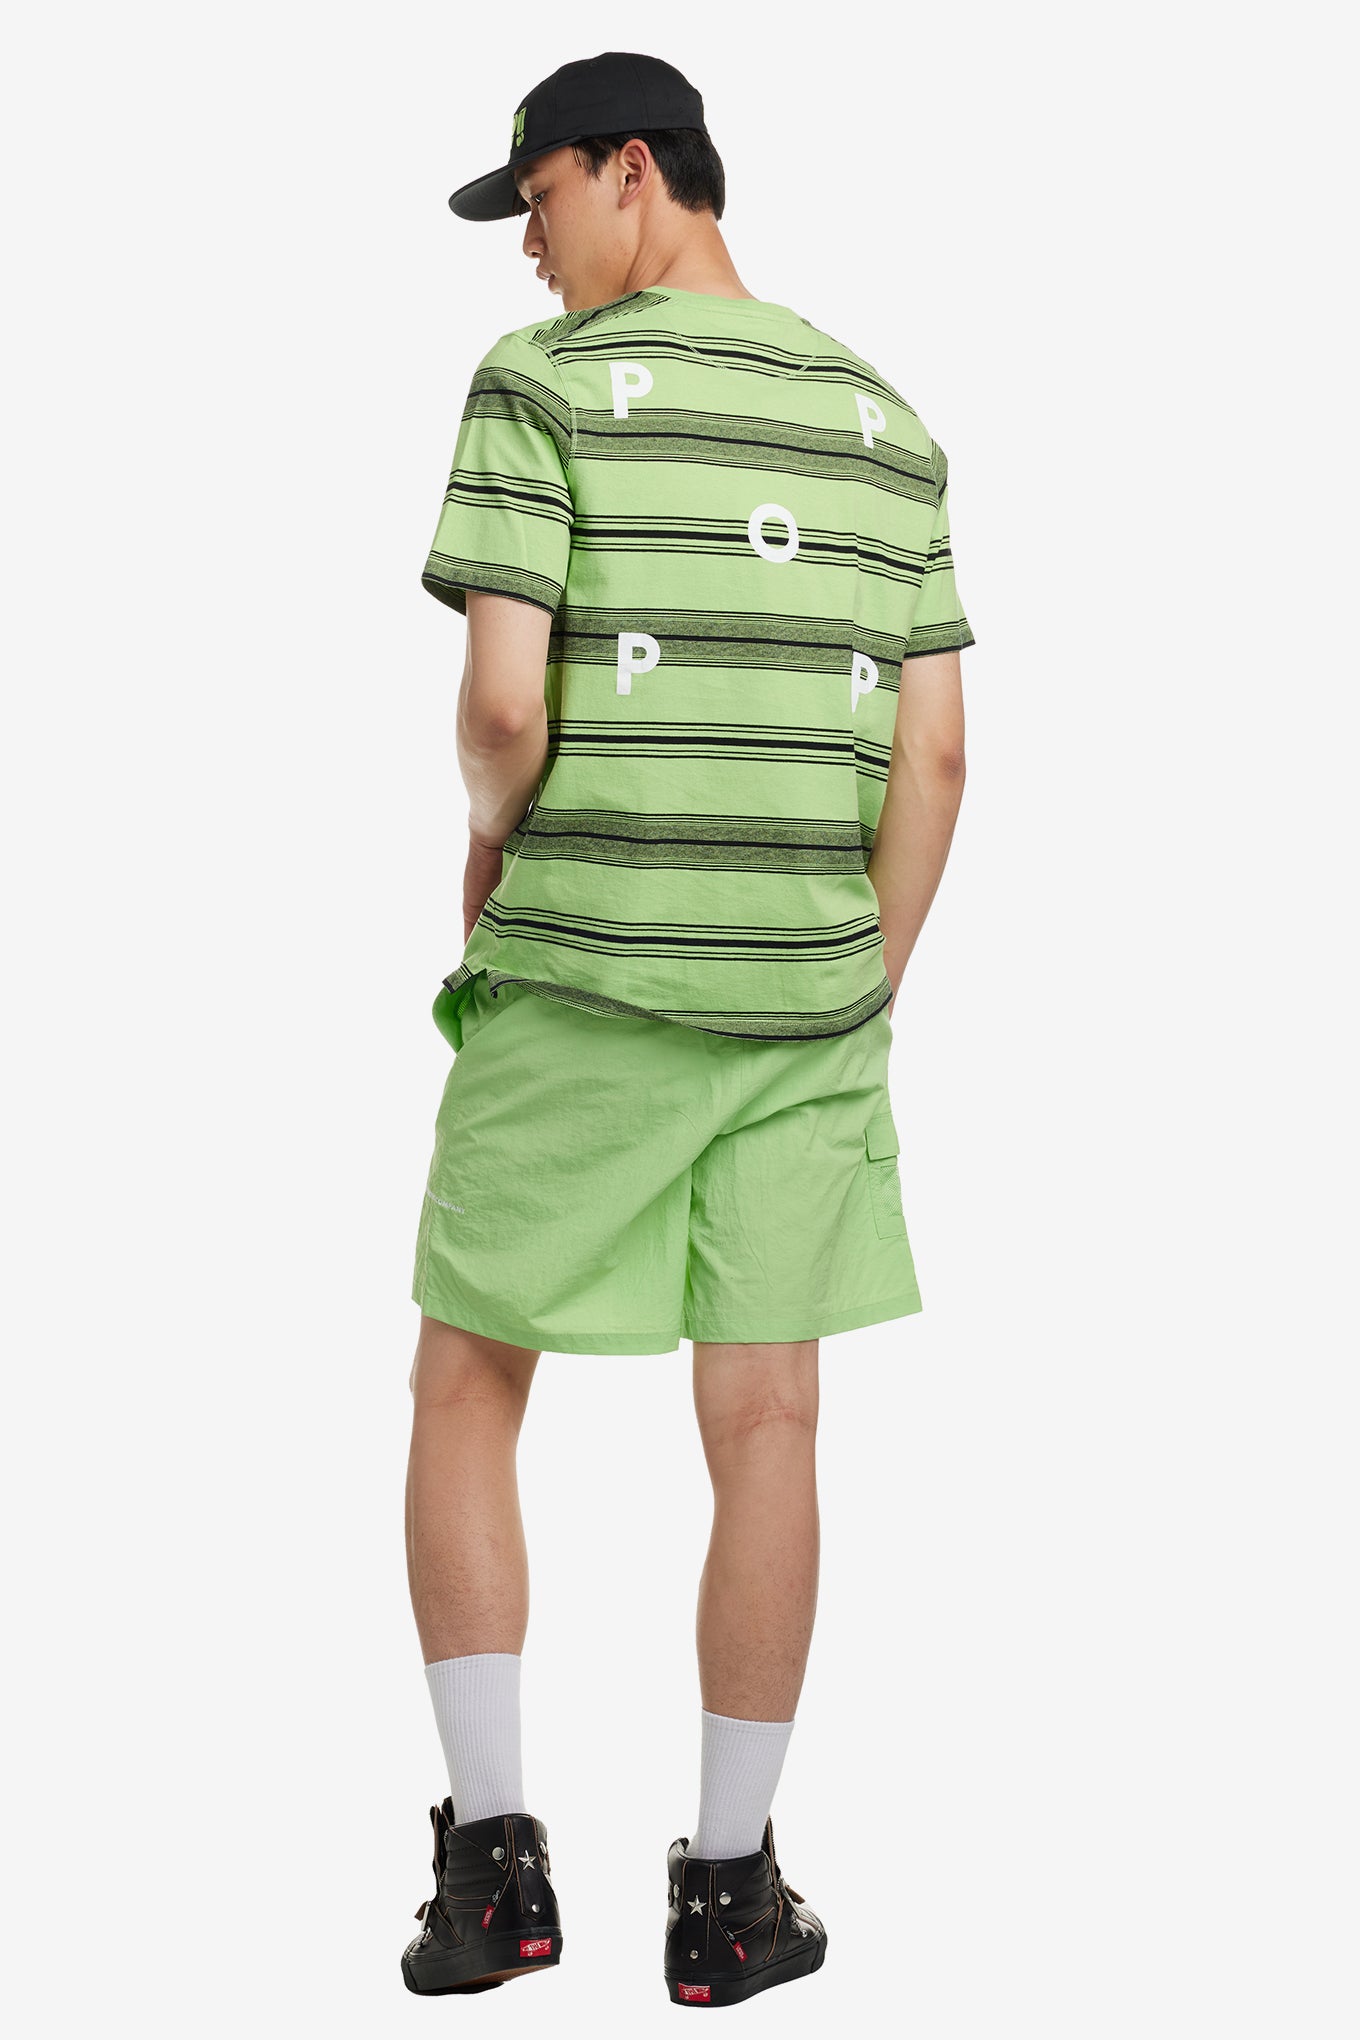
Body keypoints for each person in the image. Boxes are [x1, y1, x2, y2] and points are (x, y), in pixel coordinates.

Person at [401, 49, 974, 2006]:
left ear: (630, 169)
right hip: (804, 998)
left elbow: (502, 710)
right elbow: (937, 755)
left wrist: (488, 847)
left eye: (537, 202)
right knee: (770, 1422)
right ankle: (731, 1897)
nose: (528, 250)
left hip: (584, 970)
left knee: (468, 1383)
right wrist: (857, 979)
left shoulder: (540, 390)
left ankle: (494, 1877)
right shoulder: (884, 422)